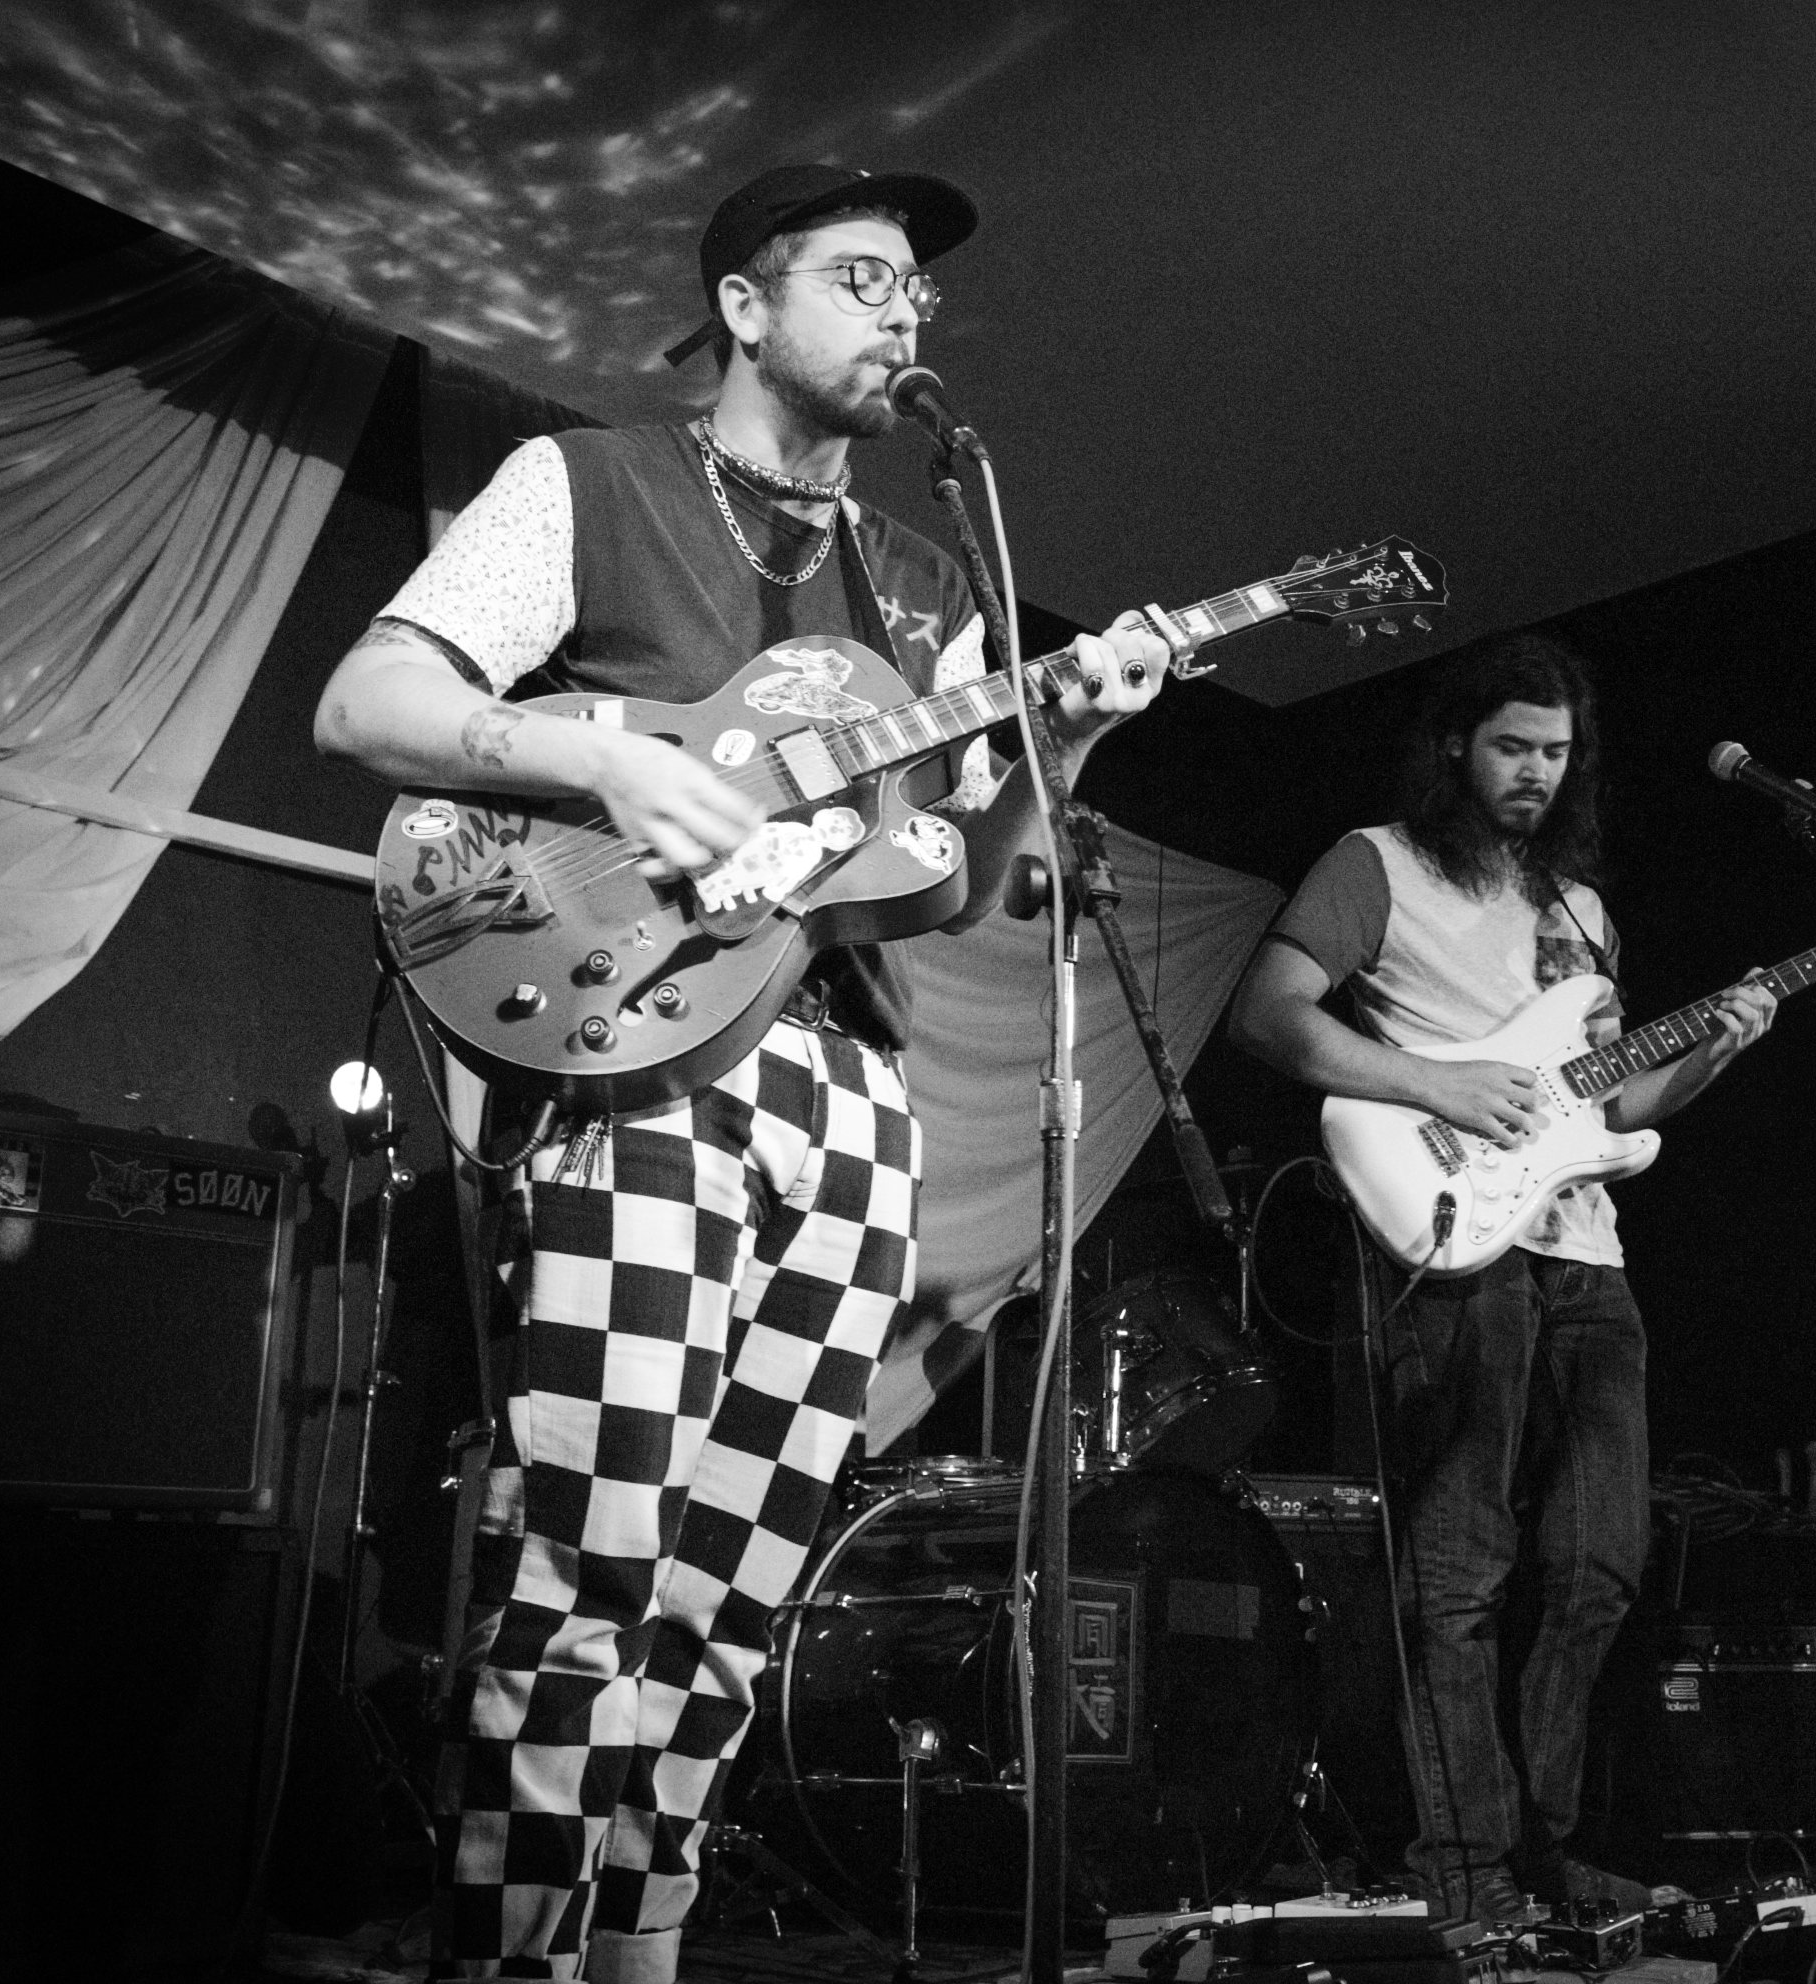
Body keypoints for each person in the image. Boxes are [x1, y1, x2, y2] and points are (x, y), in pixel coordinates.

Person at [313, 163, 1172, 1983]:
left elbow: (957, 881)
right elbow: (367, 703)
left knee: (733, 1591)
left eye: (918, 290)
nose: (906, 310)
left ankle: (644, 1952)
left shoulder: (926, 582)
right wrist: (605, 760)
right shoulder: (589, 482)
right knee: (595, 1556)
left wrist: (1071, 738)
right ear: (743, 304)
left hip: (850, 1089)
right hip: (638, 1063)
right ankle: (515, 1959)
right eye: (862, 276)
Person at [1228, 635, 1776, 1924]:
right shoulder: (1376, 864)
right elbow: (1268, 1013)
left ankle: (1541, 1852)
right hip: (1452, 1235)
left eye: (1557, 752)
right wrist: (1437, 1082)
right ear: (1455, 748)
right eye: (1512, 747)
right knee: (1461, 1565)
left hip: (1585, 1249)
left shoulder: (1578, 909)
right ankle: (1464, 1872)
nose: (1536, 772)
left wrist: (1715, 1050)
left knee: (1600, 1565)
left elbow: (1612, 1104)